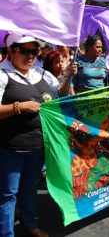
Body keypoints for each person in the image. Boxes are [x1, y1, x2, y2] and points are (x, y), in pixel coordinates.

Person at [0, 33, 75, 237]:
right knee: (8, 194)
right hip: (10, 148)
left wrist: (67, 77)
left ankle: (30, 225)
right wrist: (19, 106)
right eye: (24, 51)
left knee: (30, 189)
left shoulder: (42, 74)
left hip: (38, 146)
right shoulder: (2, 75)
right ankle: (7, 233)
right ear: (10, 52)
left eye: (34, 51)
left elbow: (60, 97)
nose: (30, 56)